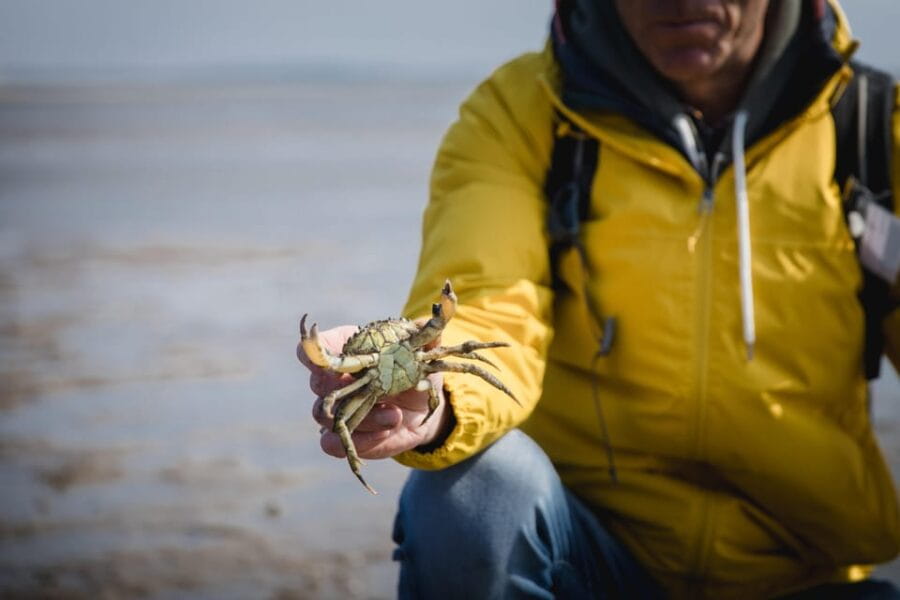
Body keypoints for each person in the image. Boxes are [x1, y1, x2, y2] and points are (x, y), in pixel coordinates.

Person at [299, 0, 900, 597]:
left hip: (807, 575)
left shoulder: (873, 128)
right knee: (474, 488)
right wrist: (437, 405)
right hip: (585, 556)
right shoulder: (525, 112)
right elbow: (488, 309)